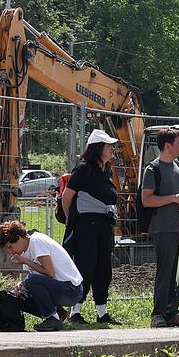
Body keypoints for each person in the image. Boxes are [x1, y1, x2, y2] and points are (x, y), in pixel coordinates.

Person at [59, 128, 122, 325]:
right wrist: (71, 219)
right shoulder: (84, 168)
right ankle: (75, 310)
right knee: (85, 267)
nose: (112, 148)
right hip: (86, 225)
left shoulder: (106, 169)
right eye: (108, 145)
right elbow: (67, 196)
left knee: (104, 268)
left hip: (104, 224)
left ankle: (102, 312)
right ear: (98, 148)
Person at [141, 127, 179, 328]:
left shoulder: (178, 166)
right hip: (163, 228)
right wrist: (174, 199)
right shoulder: (152, 169)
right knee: (165, 271)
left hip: (178, 226)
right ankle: (158, 314)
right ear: (167, 145)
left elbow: (178, 198)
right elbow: (147, 200)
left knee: (178, 271)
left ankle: (172, 312)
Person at [0, 219, 83, 332]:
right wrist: (22, 285)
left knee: (31, 280)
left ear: (19, 238)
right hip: (61, 288)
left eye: (10, 247)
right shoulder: (26, 251)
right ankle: (58, 313)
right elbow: (39, 277)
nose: (11, 252)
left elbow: (50, 273)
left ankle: (52, 318)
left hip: (72, 290)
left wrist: (26, 262)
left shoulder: (36, 241)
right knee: (23, 292)